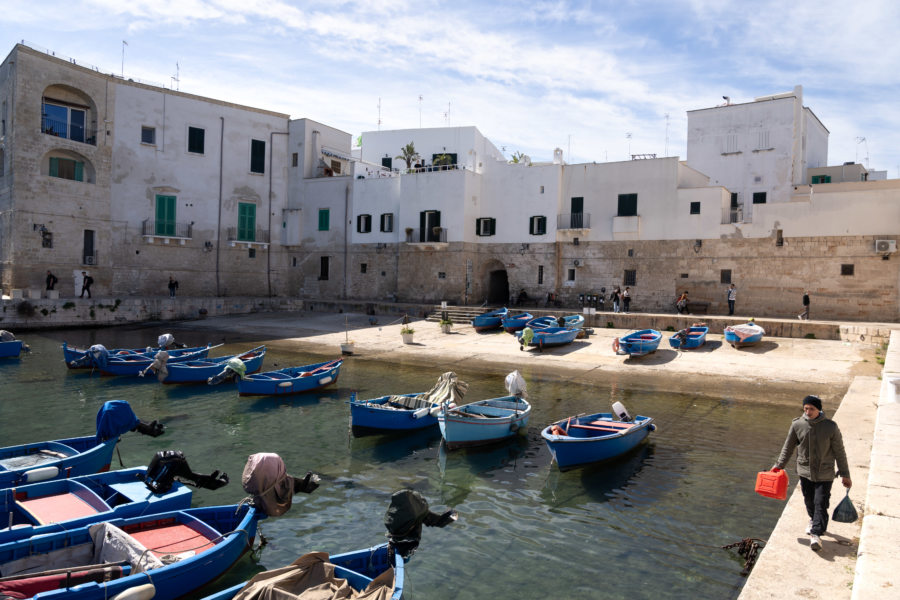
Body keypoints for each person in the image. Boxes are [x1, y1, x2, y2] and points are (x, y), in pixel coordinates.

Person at [772, 395, 851, 552]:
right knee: (809, 500)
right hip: (805, 471)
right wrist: (778, 466)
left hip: (825, 473)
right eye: (806, 408)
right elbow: (788, 448)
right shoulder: (797, 425)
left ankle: (816, 535)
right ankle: (813, 520)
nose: (808, 412)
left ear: (819, 409)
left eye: (811, 409)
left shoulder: (831, 427)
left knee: (820, 502)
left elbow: (839, 452)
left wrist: (845, 474)